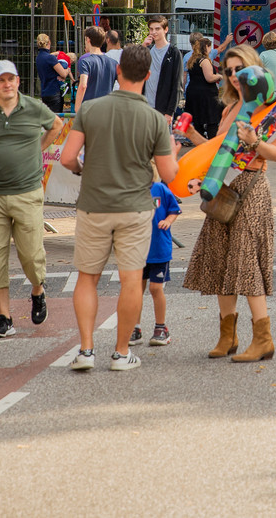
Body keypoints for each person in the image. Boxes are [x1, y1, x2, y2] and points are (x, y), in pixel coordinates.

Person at [60, 44, 178, 371]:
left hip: (94, 206)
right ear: (149, 75)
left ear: (118, 71)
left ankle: (85, 351)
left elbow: (68, 157)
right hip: (135, 209)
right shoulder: (154, 119)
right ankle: (122, 352)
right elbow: (168, 175)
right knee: (130, 281)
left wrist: (86, 169)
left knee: (87, 278)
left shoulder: (91, 110)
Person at [182, 44, 276, 362]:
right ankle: (228, 336)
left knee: (245, 259)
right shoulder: (228, 110)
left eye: (239, 69)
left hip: (251, 188)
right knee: (221, 259)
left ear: (253, 69)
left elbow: (275, 153)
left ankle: (263, 339)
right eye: (228, 71)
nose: (234, 76)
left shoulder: (268, 109)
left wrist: (255, 141)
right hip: (222, 188)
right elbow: (217, 152)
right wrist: (191, 136)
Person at [0, 60, 64, 339]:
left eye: (12, 79)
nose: (7, 84)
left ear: (18, 81)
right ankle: (4, 317)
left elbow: (57, 124)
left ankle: (37, 290)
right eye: (1, 80)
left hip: (27, 192)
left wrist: (38, 148)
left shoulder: (32, 107)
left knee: (32, 255)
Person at [128, 170, 181, 347]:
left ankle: (161, 328)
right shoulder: (130, 191)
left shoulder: (160, 189)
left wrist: (168, 221)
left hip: (159, 249)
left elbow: (174, 210)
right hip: (138, 250)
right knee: (136, 289)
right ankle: (135, 328)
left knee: (155, 288)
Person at [185, 36, 223, 140]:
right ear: (206, 47)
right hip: (206, 96)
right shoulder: (204, 61)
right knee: (212, 122)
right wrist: (220, 76)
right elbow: (209, 78)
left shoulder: (191, 60)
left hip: (193, 94)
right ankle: (211, 146)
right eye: (210, 47)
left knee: (198, 122)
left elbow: (186, 78)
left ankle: (199, 145)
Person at [144, 15, 183, 117]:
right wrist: (143, 46)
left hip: (163, 109)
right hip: (146, 106)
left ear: (166, 29)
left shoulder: (174, 53)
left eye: (157, 29)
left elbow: (177, 84)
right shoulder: (147, 50)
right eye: (151, 29)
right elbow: (133, 65)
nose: (154, 32)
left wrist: (170, 112)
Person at [74, 25, 117, 111]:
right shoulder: (113, 63)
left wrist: (77, 108)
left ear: (88, 40)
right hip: (107, 109)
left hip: (90, 109)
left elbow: (83, 85)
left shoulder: (85, 62)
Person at [35, 33, 70, 114]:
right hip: (54, 92)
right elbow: (63, 74)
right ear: (49, 43)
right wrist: (68, 69)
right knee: (56, 120)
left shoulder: (39, 58)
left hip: (44, 93)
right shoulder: (50, 58)